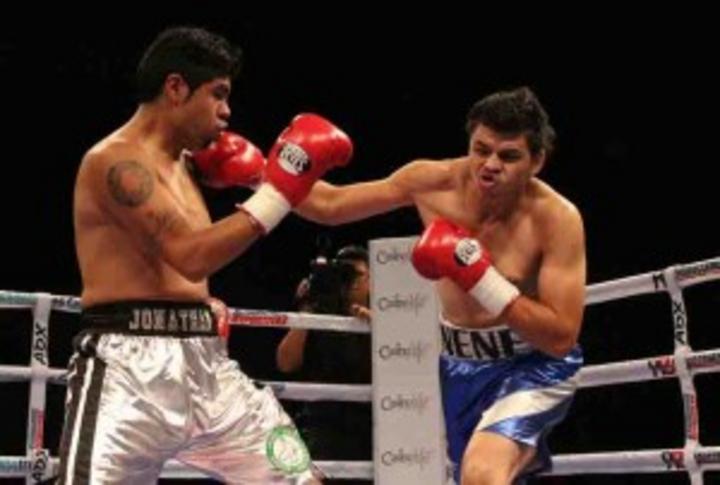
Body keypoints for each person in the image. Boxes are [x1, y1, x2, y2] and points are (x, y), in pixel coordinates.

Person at [61, 26, 352, 484]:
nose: (227, 111)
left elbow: (327, 204)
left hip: (208, 366)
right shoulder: (116, 163)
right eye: (218, 94)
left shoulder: (190, 163)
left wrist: (412, 186)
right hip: (127, 368)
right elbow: (190, 256)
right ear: (176, 87)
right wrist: (278, 190)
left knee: (301, 479)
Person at [294, 87, 586, 484]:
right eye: (481, 150)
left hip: (532, 365)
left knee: (483, 475)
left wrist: (481, 279)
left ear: (536, 161)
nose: (490, 165)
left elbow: (561, 338)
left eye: (508, 156)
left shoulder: (556, 219)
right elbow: (331, 205)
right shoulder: (432, 183)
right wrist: (265, 174)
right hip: (459, 367)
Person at [276, 245, 372, 484]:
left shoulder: (384, 317)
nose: (351, 282)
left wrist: (375, 328)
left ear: (372, 281)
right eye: (344, 274)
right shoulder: (319, 314)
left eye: (357, 275)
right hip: (322, 424)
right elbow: (286, 363)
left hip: (369, 424)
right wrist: (307, 310)